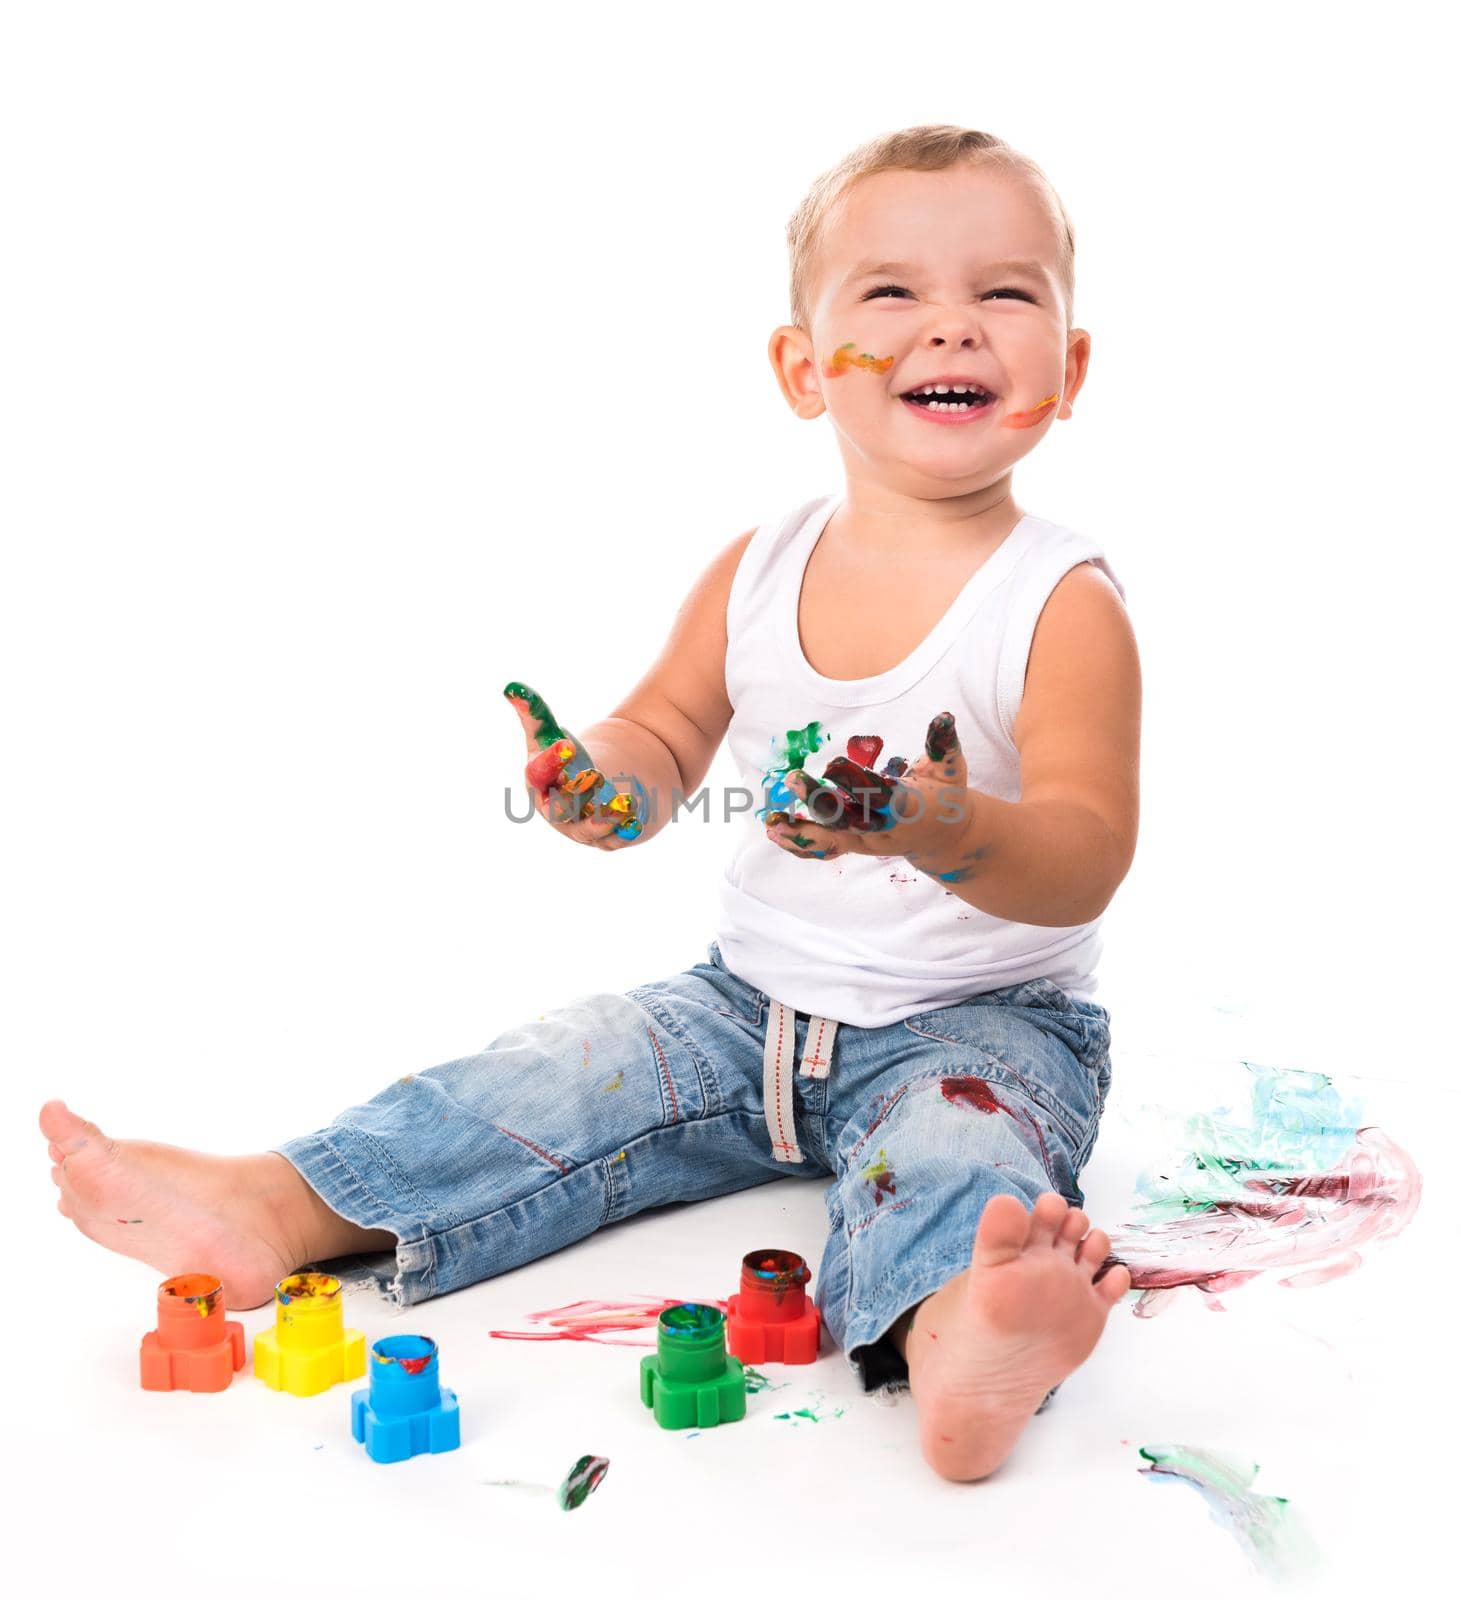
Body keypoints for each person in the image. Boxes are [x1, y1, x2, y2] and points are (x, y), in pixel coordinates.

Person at [41, 124, 1141, 1483]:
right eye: (892, 294)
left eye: (1006, 293)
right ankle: (279, 1203)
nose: (950, 329)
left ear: (1068, 368)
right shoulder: (759, 565)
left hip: (978, 1027)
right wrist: (601, 784)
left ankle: (958, 1336)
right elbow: (664, 735)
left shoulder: (1059, 600)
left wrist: (940, 824)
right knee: (550, 1070)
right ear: (803, 369)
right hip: (745, 1009)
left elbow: (1086, 857)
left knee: (955, 1152)